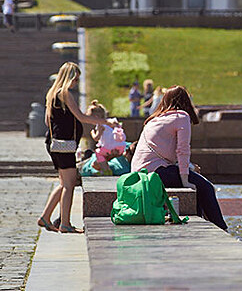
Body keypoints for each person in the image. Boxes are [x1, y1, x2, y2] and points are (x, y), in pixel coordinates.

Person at [131, 86, 228, 231]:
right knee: (206, 187)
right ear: (186, 101)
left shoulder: (154, 119)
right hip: (156, 173)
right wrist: (185, 181)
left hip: (140, 172)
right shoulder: (181, 116)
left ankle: (205, 224)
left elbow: (166, 153)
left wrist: (189, 167)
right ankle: (222, 229)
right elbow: (182, 151)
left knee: (197, 185)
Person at [38, 62, 118, 233]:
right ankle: (65, 223)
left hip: (54, 144)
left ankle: (45, 217)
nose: (76, 83)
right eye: (75, 79)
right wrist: (106, 122)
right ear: (69, 78)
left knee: (63, 183)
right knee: (69, 184)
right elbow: (81, 116)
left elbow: (47, 121)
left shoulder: (51, 94)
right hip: (65, 144)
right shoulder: (65, 93)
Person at [86, 100, 127, 176]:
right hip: (121, 146)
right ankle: (105, 169)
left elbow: (96, 138)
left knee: (98, 153)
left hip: (110, 148)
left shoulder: (100, 125)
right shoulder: (110, 122)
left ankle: (106, 170)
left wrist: (92, 133)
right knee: (95, 163)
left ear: (96, 117)